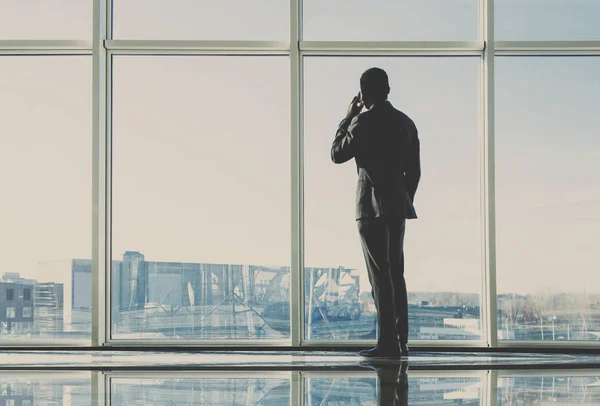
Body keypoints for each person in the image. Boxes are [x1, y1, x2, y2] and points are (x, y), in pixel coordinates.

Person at [331, 67, 421, 358]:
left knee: (379, 275)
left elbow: (337, 154)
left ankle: (387, 344)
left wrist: (347, 117)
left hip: (369, 207)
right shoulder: (406, 124)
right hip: (397, 206)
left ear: (363, 93)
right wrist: (402, 198)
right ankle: (401, 340)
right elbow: (415, 172)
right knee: (397, 272)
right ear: (388, 90)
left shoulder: (361, 122)